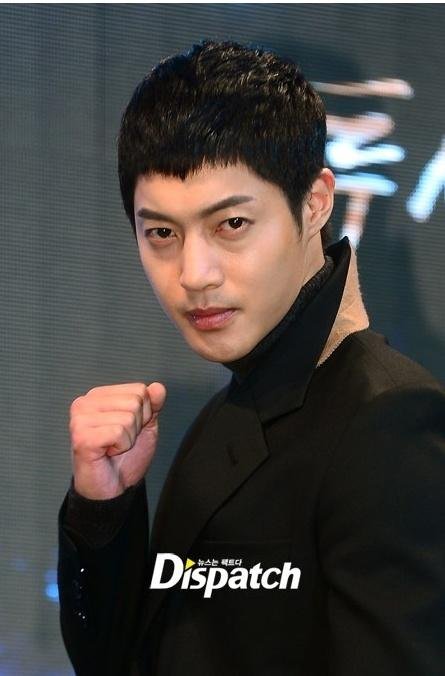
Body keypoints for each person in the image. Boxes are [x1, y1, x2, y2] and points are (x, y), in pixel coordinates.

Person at [57, 39, 445, 676]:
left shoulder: (389, 421)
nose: (194, 273)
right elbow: (122, 662)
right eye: (162, 233)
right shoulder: (221, 418)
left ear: (314, 203)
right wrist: (102, 512)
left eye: (231, 224)